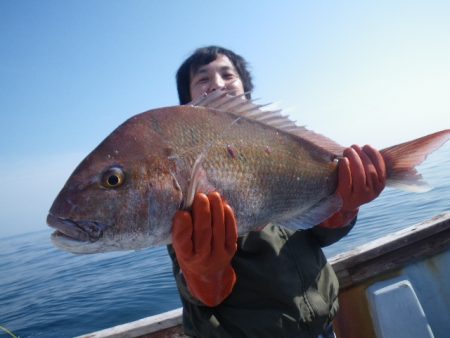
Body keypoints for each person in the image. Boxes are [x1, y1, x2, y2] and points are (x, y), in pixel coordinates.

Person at [167, 46, 386, 338]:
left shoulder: (284, 145)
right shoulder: (184, 173)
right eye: (203, 79)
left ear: (246, 89)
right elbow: (199, 293)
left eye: (227, 74)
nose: (217, 84)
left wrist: (344, 207)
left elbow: (319, 237)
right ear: (187, 103)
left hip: (323, 328)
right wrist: (202, 274)